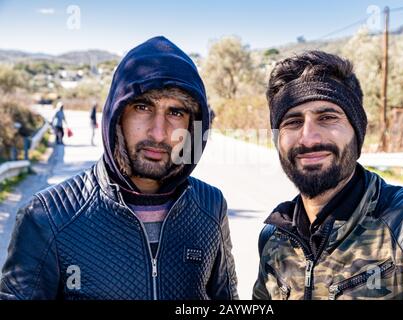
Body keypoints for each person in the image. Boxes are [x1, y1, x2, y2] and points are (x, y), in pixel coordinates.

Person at [0, 36, 238, 300]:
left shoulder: (211, 205)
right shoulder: (48, 217)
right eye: (142, 107)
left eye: (175, 113)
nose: (158, 133)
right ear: (116, 116)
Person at [253, 51, 403, 300]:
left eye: (327, 117)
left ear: (357, 133)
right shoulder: (274, 239)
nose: (309, 137)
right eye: (292, 122)